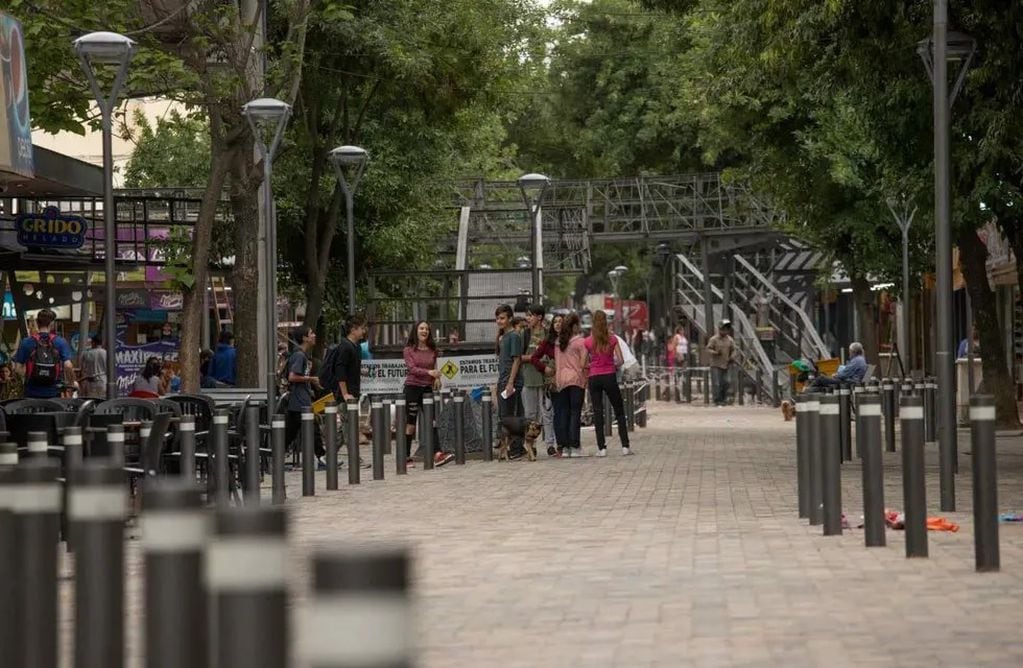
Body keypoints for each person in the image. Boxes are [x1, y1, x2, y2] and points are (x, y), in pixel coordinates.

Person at [402, 320, 454, 467]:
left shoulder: (433, 350)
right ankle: (406, 457)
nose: (424, 331)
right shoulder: (408, 350)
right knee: (411, 424)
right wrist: (429, 372)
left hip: (427, 389)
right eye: (421, 328)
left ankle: (437, 454)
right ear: (416, 331)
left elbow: (436, 365)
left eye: (426, 329)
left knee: (432, 421)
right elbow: (412, 369)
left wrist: (436, 377)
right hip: (412, 388)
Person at [585, 310, 631, 456]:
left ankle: (602, 448)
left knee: (598, 412)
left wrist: (592, 365)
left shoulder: (588, 341)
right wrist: (613, 365)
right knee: (618, 409)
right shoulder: (612, 339)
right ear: (606, 322)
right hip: (609, 375)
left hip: (594, 377)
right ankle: (625, 446)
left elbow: (582, 363)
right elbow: (621, 360)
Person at [13, 308, 75, 399]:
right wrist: (71, 383)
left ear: (37, 323)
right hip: (53, 393)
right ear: (52, 324)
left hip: (31, 393)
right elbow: (68, 366)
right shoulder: (60, 342)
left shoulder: (26, 342)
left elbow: (17, 369)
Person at [285, 325, 324, 461]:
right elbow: (292, 377)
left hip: (301, 400)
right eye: (311, 333)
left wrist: (311, 386)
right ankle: (321, 457)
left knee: (290, 433)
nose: (314, 335)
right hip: (300, 402)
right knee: (313, 430)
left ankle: (275, 456)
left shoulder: (303, 356)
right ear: (304, 338)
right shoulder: (299, 356)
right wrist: (311, 378)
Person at [520, 304, 554, 453]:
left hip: (545, 378)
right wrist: (534, 358)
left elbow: (554, 355)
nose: (528, 319)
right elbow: (518, 357)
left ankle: (550, 444)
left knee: (547, 413)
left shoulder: (548, 334)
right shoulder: (525, 334)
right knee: (530, 414)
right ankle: (531, 445)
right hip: (529, 377)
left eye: (531, 315)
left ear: (539, 317)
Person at [530, 313, 564, 456]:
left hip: (566, 379)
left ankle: (562, 442)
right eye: (555, 322)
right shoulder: (547, 341)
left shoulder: (568, 340)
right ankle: (550, 443)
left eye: (560, 321)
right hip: (551, 381)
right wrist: (545, 368)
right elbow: (534, 358)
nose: (557, 324)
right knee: (548, 412)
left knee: (562, 412)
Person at [554, 313, 587, 457]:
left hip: (561, 379)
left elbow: (557, 363)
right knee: (575, 413)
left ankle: (565, 446)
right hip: (576, 379)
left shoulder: (558, 342)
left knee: (564, 413)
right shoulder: (581, 342)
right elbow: (583, 363)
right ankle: (575, 445)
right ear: (574, 326)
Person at [495, 304, 525, 459]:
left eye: (502, 318)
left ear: (510, 319)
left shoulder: (514, 336)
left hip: (511, 382)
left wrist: (511, 382)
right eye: (498, 318)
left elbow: (516, 360)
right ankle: (512, 447)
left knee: (511, 416)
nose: (499, 321)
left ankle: (517, 447)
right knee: (506, 415)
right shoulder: (503, 337)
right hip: (504, 379)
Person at [706, 320, 737, 406]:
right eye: (724, 329)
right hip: (715, 364)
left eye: (727, 329)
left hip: (725, 364)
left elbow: (734, 349)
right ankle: (717, 400)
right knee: (717, 383)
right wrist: (715, 353)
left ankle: (723, 399)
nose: (726, 331)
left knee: (726, 382)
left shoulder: (730, 339)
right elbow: (708, 349)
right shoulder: (713, 339)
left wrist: (732, 357)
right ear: (720, 329)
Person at [78, 333, 107, 399]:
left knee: (92, 403)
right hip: (103, 382)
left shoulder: (86, 354)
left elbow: (82, 369)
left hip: (90, 383)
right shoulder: (105, 353)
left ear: (93, 342)